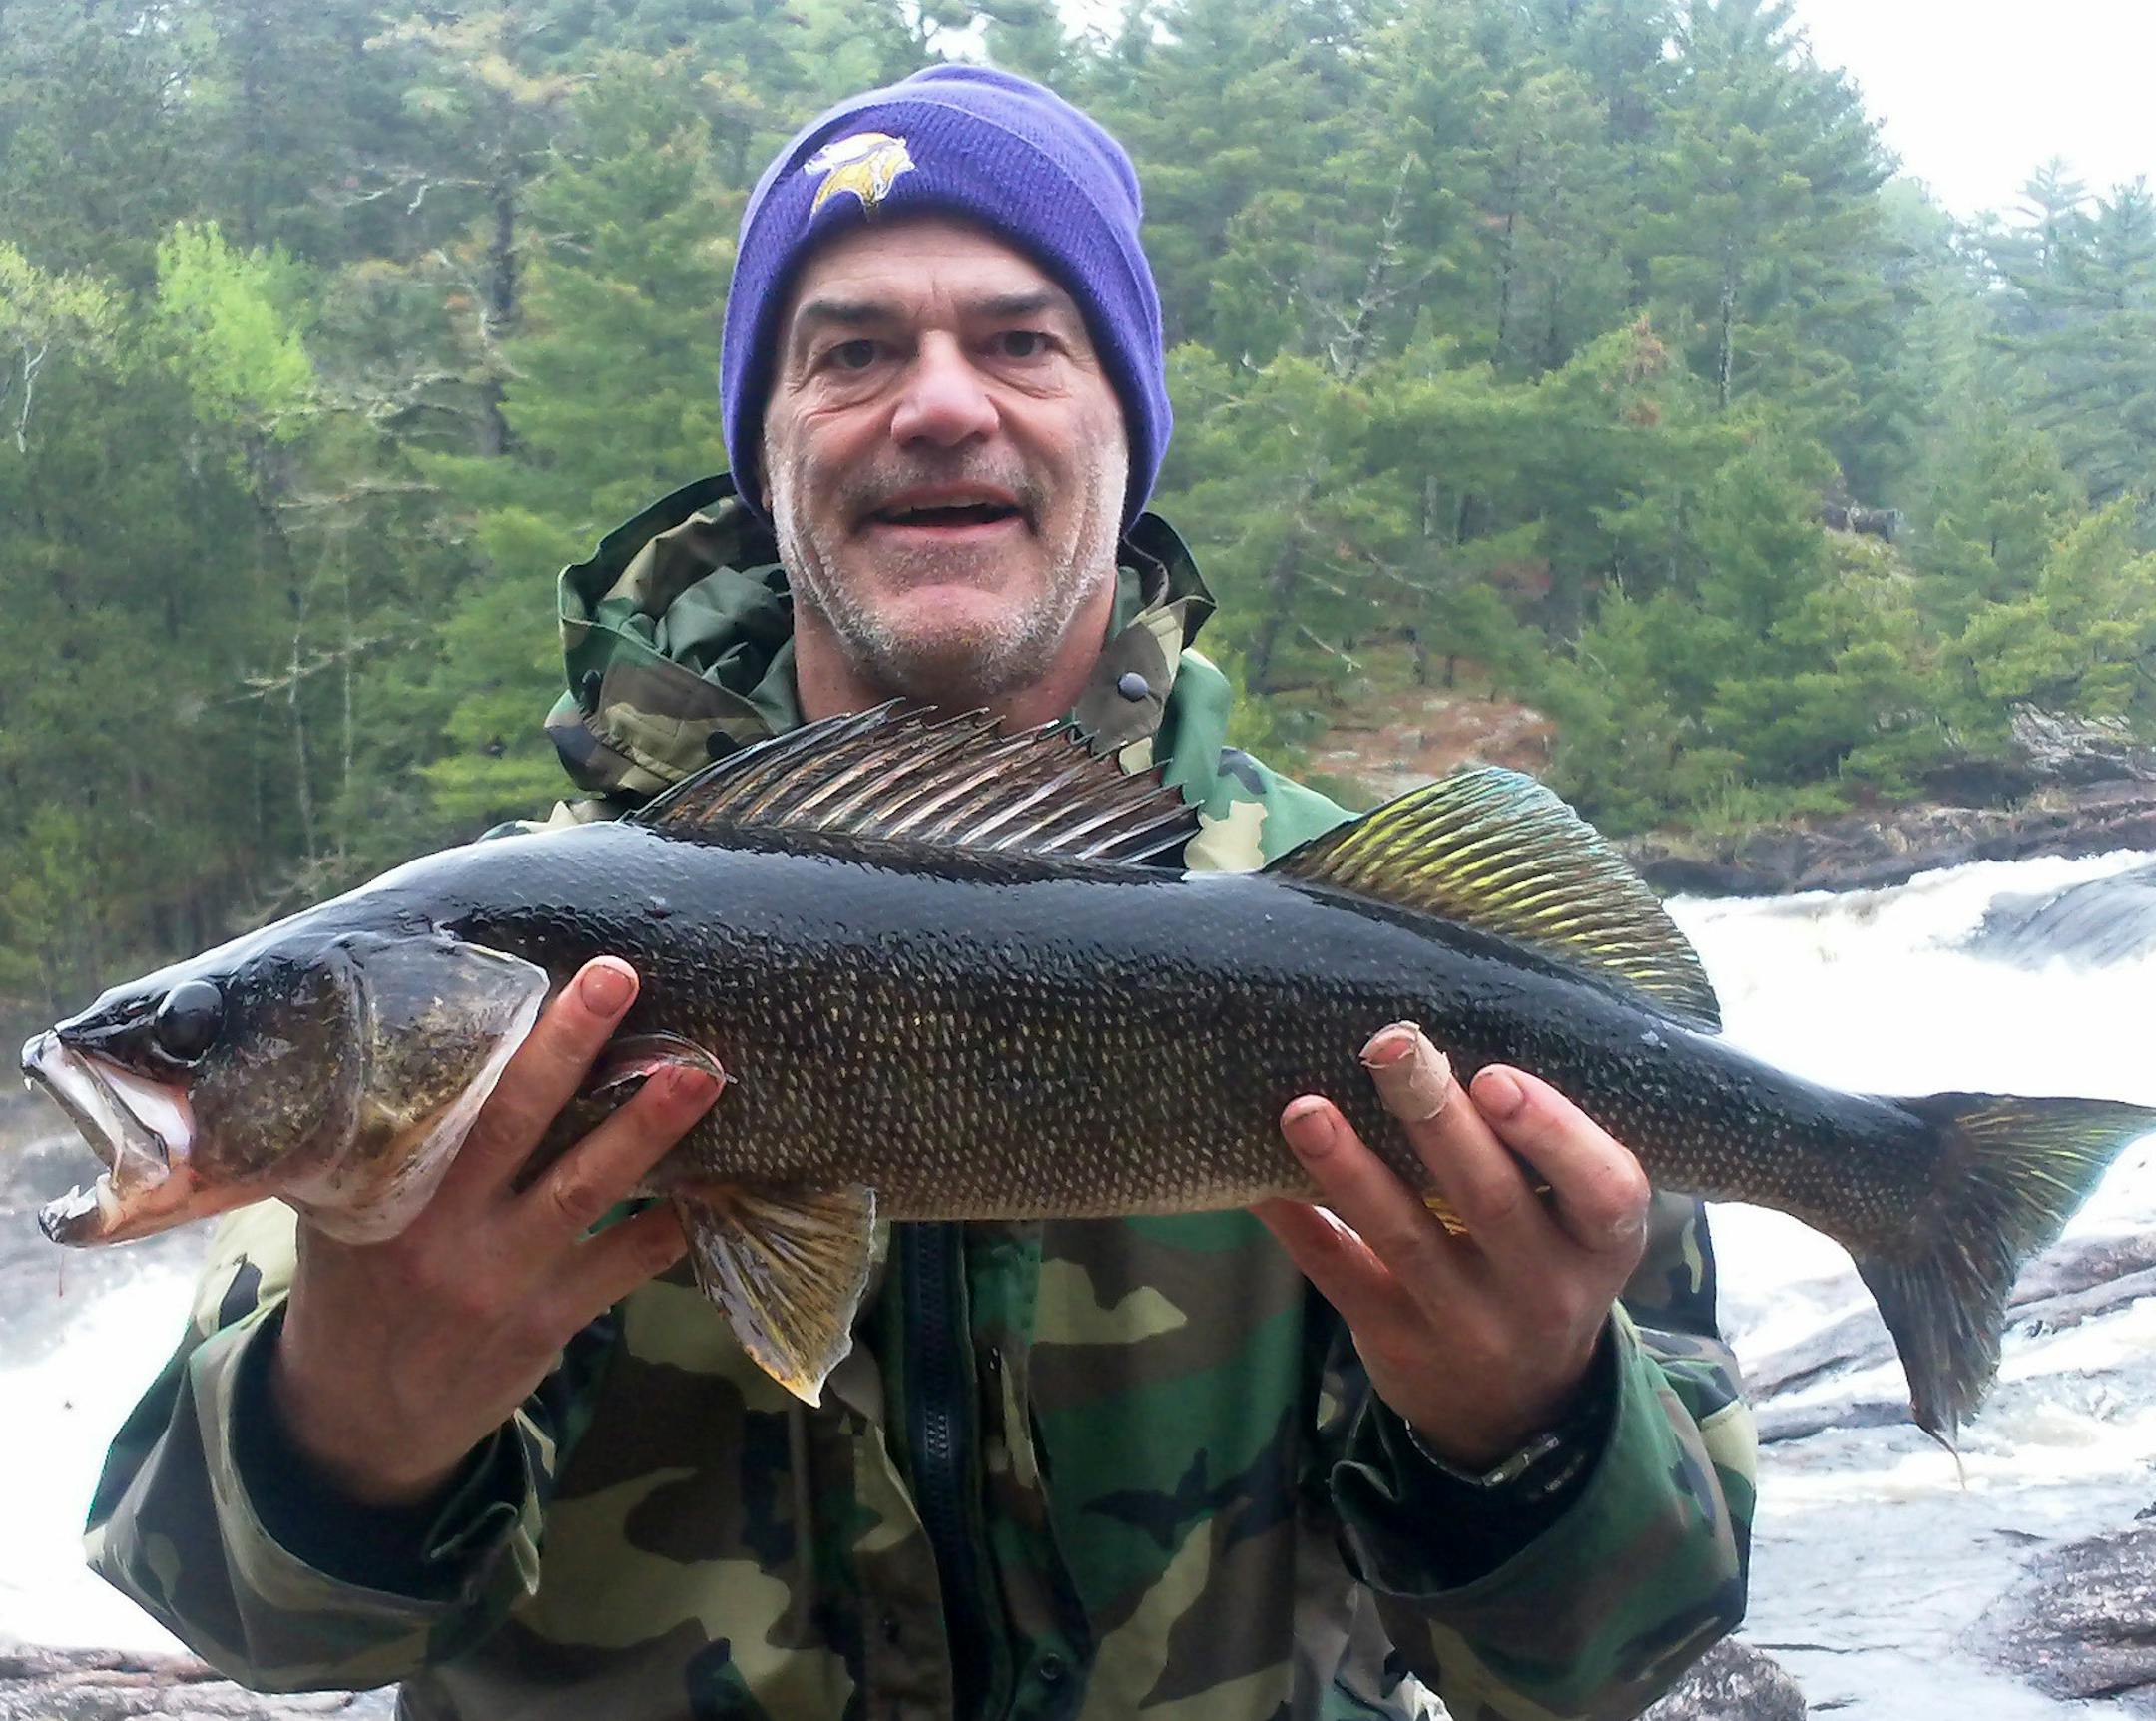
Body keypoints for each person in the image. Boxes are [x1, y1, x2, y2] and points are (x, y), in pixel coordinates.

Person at [84, 66, 1754, 1721]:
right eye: (852, 351)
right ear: (768, 448)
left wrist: (1530, 1420)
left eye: (1024, 341)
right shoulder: (490, 977)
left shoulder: (1415, 952)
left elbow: (1610, 1668)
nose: (939, 404)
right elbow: (262, 1636)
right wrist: (351, 1421)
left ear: (1125, 420)